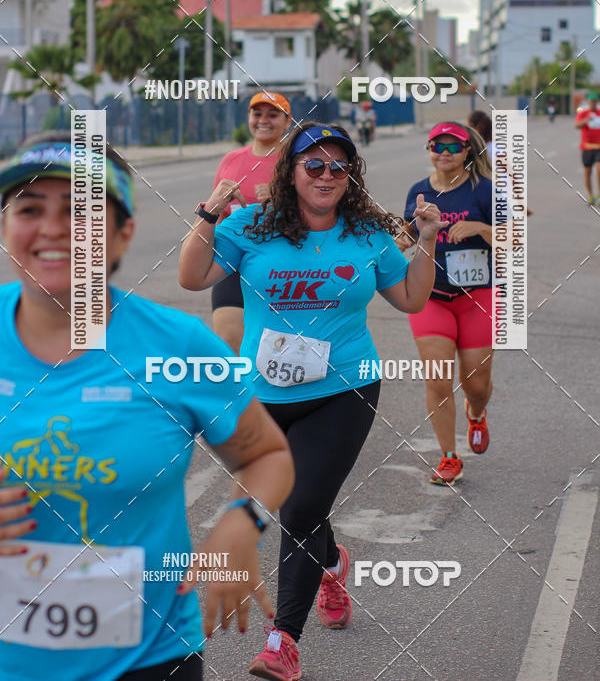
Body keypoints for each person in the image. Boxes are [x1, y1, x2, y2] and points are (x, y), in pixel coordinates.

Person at [0, 131, 294, 681]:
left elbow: (267, 453)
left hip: (147, 660)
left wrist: (241, 522)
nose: (52, 228)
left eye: (81, 209)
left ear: (122, 234)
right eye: (29, 207)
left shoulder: (178, 345)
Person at [178, 121, 446, 681]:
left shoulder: (368, 233)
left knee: (299, 507)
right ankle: (331, 562)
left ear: (350, 175)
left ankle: (284, 643)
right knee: (297, 508)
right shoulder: (252, 224)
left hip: (343, 389)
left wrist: (424, 241)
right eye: (314, 165)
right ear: (291, 170)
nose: (326, 175)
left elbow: (412, 297)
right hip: (264, 394)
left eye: (337, 166)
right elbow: (192, 276)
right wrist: (209, 215)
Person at [398, 122, 497, 487]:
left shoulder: (484, 191)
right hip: (432, 297)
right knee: (438, 379)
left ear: (468, 151)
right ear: (428, 148)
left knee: (475, 382)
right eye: (437, 145)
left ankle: (477, 412)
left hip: (477, 297)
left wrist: (480, 229)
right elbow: (409, 231)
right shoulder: (419, 192)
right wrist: (401, 241)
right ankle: (449, 457)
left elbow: (516, 240)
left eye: (453, 146)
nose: (445, 151)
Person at [211, 91, 292, 353]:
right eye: (257, 113)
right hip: (233, 261)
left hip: (283, 266)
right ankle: (239, 395)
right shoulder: (231, 159)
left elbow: (318, 213)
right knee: (228, 343)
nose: (263, 120)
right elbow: (217, 215)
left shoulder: (296, 162)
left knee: (272, 352)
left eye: (272, 114)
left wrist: (282, 200)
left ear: (287, 121)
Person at [574, 90, 600, 205]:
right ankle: (590, 195)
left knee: (599, 170)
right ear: (588, 102)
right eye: (591, 101)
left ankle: (599, 194)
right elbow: (577, 126)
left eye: (595, 101)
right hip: (587, 148)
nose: (593, 103)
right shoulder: (583, 113)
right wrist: (586, 120)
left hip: (599, 147)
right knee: (587, 172)